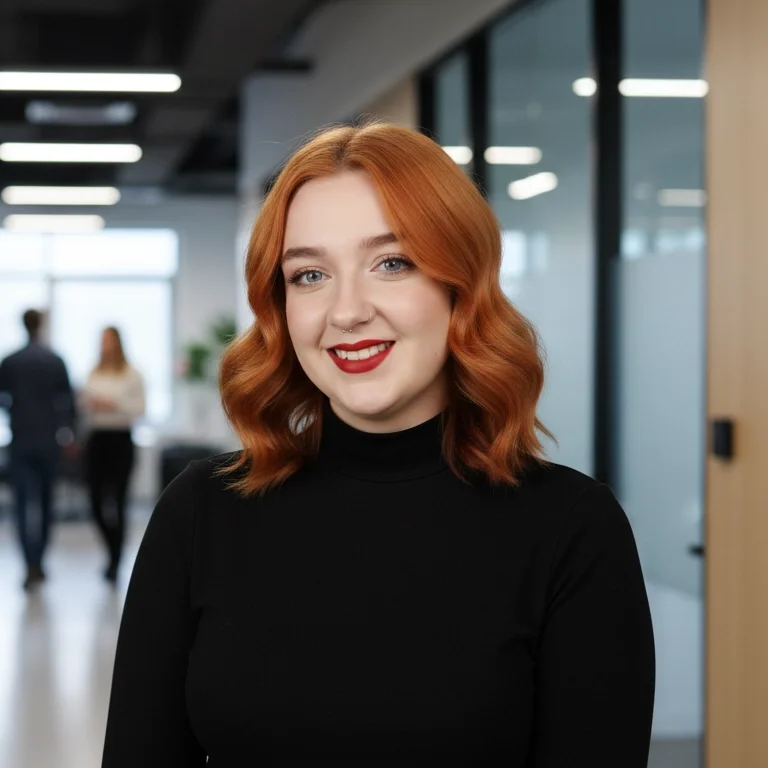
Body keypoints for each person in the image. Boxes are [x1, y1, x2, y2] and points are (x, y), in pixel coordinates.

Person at [101, 123, 655, 767]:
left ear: (461, 283)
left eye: (392, 263)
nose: (346, 311)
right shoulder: (202, 512)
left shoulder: (571, 529)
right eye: (309, 275)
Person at [0, 309, 76, 590]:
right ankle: (39, 560)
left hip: (21, 440)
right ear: (41, 325)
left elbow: (2, 398)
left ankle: (30, 562)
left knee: (22, 504)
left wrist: (15, 410)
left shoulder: (11, 361)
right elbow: (68, 401)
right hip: (48, 441)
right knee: (45, 503)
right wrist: (69, 433)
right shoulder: (54, 360)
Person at [80, 326, 145, 583]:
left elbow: (139, 409)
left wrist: (114, 404)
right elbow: (83, 405)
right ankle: (111, 549)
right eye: (102, 340)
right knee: (95, 502)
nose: (104, 345)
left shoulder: (131, 374)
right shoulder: (93, 372)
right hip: (97, 441)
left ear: (117, 342)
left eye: (108, 340)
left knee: (118, 501)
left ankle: (116, 560)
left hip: (120, 441)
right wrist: (91, 405)